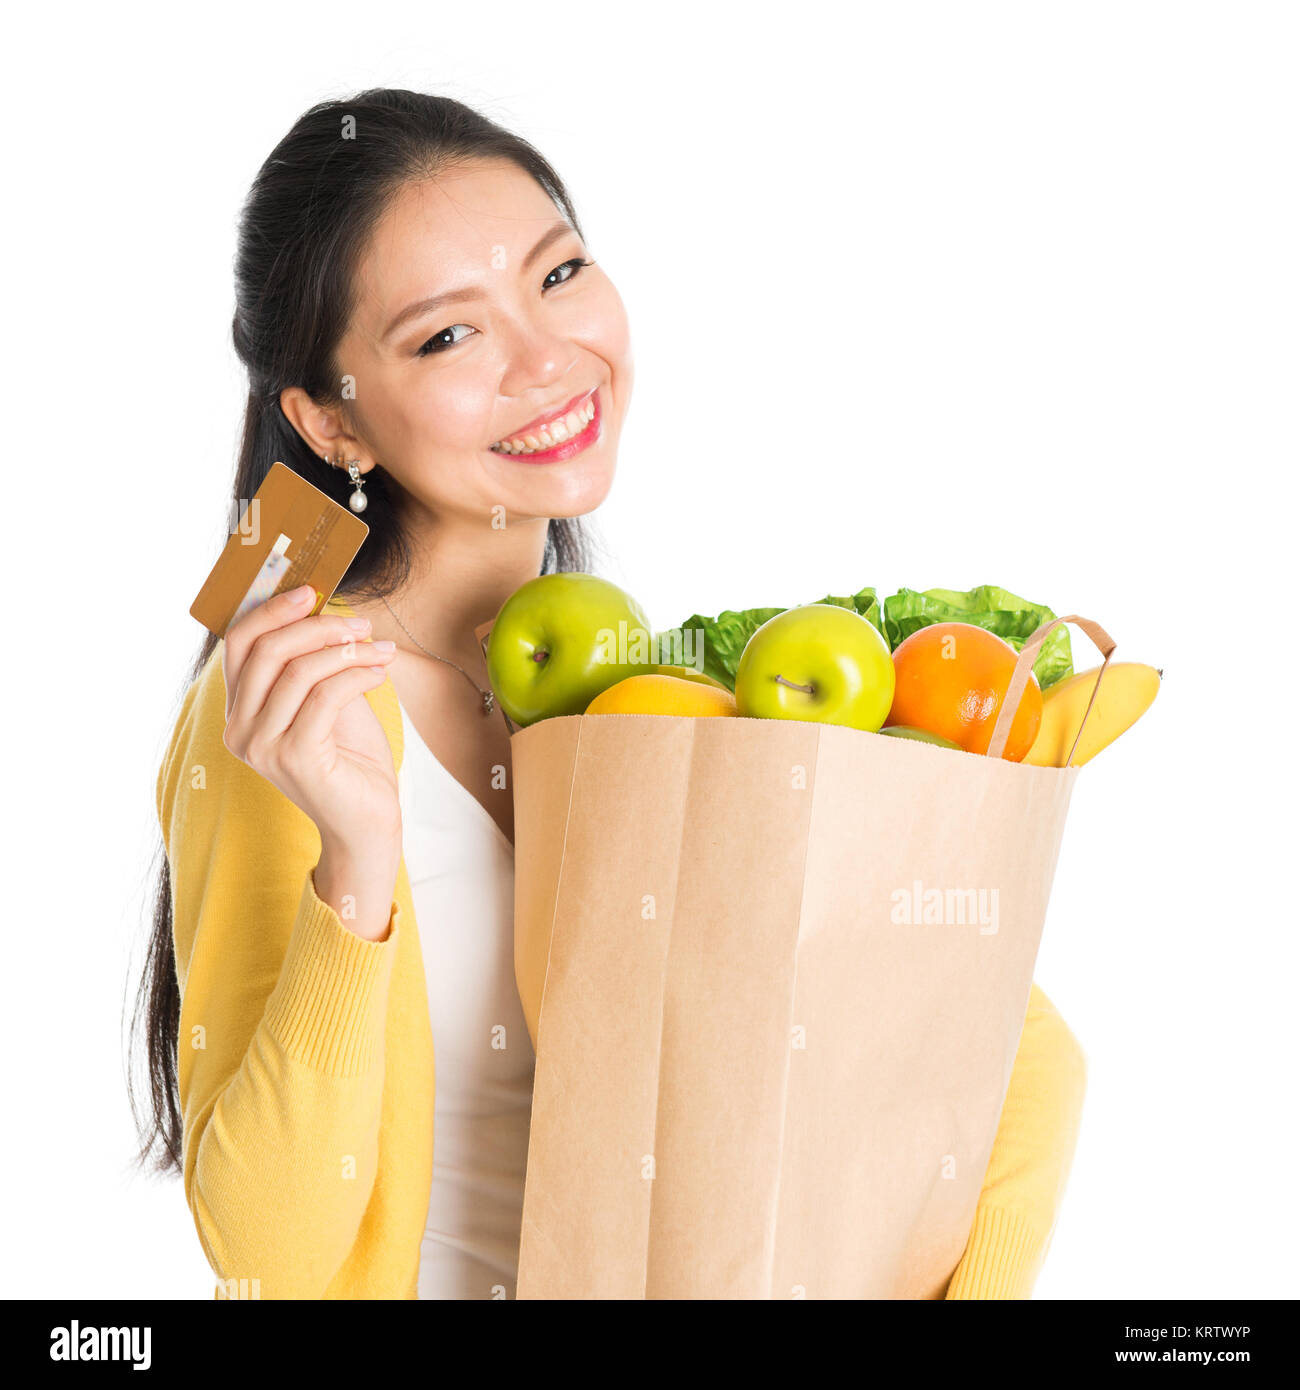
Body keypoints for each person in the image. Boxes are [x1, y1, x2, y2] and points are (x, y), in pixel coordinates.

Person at [130, 88, 1085, 1300]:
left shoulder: (655, 701)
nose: (545, 359)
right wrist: (352, 871)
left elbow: (1008, 1052)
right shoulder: (291, 710)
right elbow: (266, 1252)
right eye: (446, 337)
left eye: (559, 273)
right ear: (332, 421)